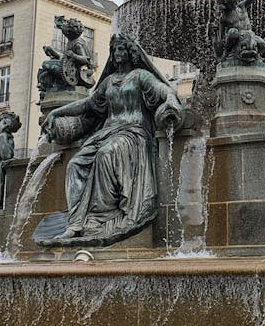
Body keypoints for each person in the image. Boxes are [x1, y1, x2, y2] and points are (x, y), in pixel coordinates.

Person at [40, 33, 184, 245]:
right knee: (75, 164)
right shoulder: (108, 82)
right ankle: (76, 223)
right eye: (115, 50)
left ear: (130, 53)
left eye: (122, 49)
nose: (118, 54)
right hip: (108, 132)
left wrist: (171, 99)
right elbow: (88, 104)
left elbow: (164, 90)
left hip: (134, 132)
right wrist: (57, 112)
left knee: (106, 154)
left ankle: (100, 218)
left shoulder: (140, 76)